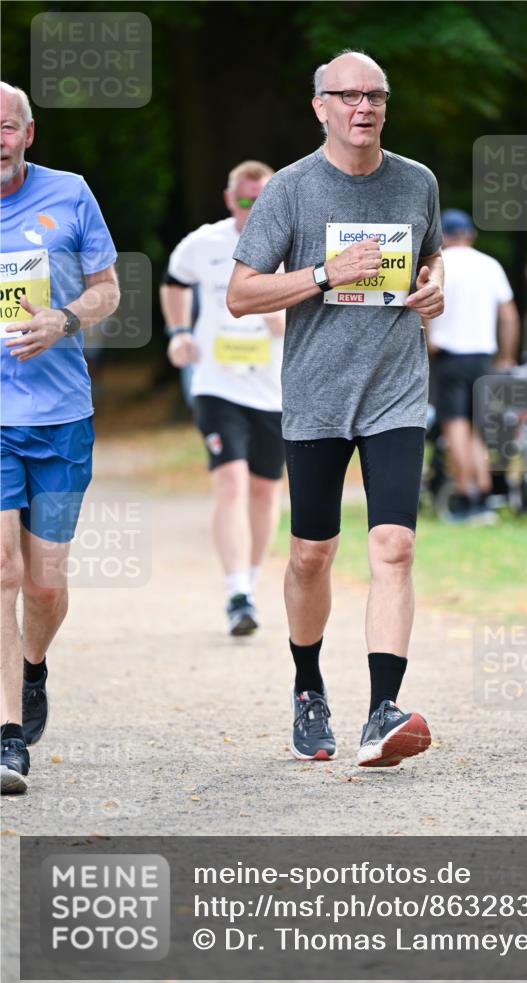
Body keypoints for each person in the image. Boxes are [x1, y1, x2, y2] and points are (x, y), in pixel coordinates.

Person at [227, 50, 444, 767]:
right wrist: (323, 274)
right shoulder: (289, 190)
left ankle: (383, 710)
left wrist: (434, 287)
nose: (363, 106)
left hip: (395, 391)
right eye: (348, 95)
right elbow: (241, 294)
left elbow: (432, 257)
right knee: (311, 554)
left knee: (395, 545)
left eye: (375, 95)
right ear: (320, 106)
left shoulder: (417, 182)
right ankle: (308, 687)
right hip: (317, 396)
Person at [0, 82, 120, 794]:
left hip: (59, 416)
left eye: (5, 127)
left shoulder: (69, 193)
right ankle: (8, 734)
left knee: (44, 583)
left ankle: (32, 665)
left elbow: (108, 289)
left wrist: (64, 319)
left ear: (28, 133)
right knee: (3, 570)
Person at [161, 161, 285, 635]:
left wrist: (283, 319)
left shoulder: (292, 243)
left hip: (273, 388)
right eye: (245, 199)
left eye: (262, 198)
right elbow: (174, 281)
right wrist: (178, 332)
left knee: (264, 490)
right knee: (231, 481)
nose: (253, 208)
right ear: (230, 198)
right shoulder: (204, 243)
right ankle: (236, 592)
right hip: (216, 382)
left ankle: (249, 583)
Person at [426, 209, 519, 523]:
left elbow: (426, 306)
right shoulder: (490, 265)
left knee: (455, 427)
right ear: (471, 234)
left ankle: (465, 494)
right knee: (478, 428)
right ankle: (484, 492)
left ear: (443, 237)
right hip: (483, 357)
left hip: (450, 357)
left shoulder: (440, 264)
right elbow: (508, 315)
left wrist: (429, 340)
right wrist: (506, 356)